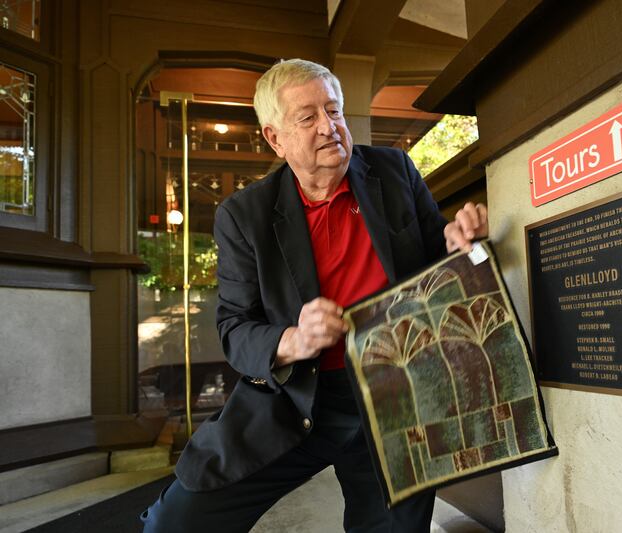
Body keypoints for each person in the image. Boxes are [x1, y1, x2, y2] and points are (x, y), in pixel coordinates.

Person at [141, 58, 488, 532]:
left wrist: (459, 240)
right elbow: (234, 329)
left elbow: (436, 256)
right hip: (293, 399)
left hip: (393, 394)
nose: (330, 127)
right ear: (274, 137)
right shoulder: (245, 215)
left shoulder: (393, 172)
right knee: (175, 523)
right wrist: (292, 339)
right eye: (308, 117)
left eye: (335, 110)